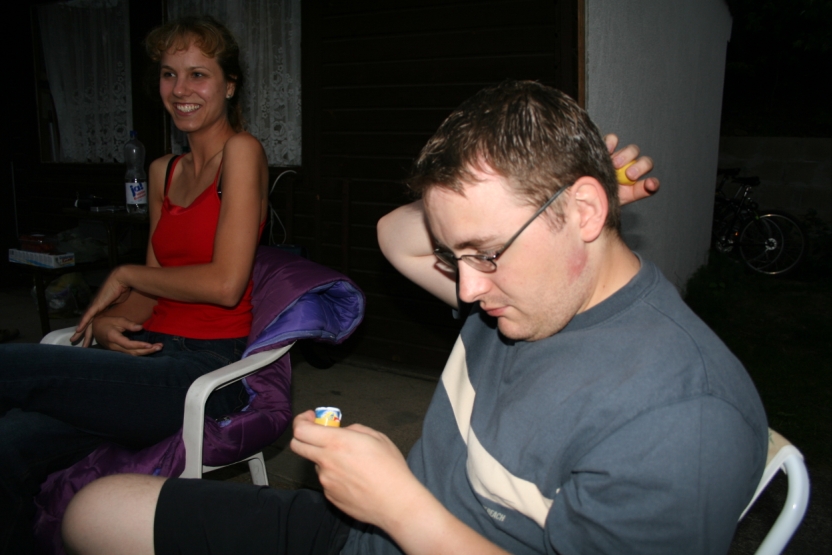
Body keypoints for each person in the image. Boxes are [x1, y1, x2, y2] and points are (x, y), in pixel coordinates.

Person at [62, 81, 767, 555]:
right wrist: (552, 210)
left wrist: (401, 506)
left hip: (404, 523)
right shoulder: (525, 289)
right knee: (91, 511)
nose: (466, 287)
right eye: (455, 255)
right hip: (366, 532)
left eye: (486, 252)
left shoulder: (682, 417)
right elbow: (395, 235)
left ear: (583, 213)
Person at [0, 15, 268, 554]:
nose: (181, 89)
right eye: (169, 74)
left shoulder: (242, 153)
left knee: (13, 364)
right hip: (146, 356)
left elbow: (225, 284)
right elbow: (154, 286)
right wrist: (107, 320)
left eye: (198, 74)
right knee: (10, 442)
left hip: (203, 371)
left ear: (229, 85)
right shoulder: (163, 170)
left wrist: (123, 274)